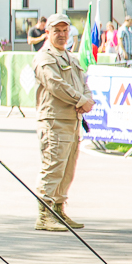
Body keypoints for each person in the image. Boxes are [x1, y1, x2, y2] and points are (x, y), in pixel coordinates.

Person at [33, 13, 93, 232]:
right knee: (53, 166)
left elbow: (83, 82)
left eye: (64, 30)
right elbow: (55, 84)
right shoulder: (45, 58)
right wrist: (80, 100)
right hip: (54, 120)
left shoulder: (70, 57)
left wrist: (87, 99)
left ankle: (58, 210)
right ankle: (44, 214)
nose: (61, 34)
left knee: (67, 168)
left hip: (71, 120)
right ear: (47, 32)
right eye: (56, 30)